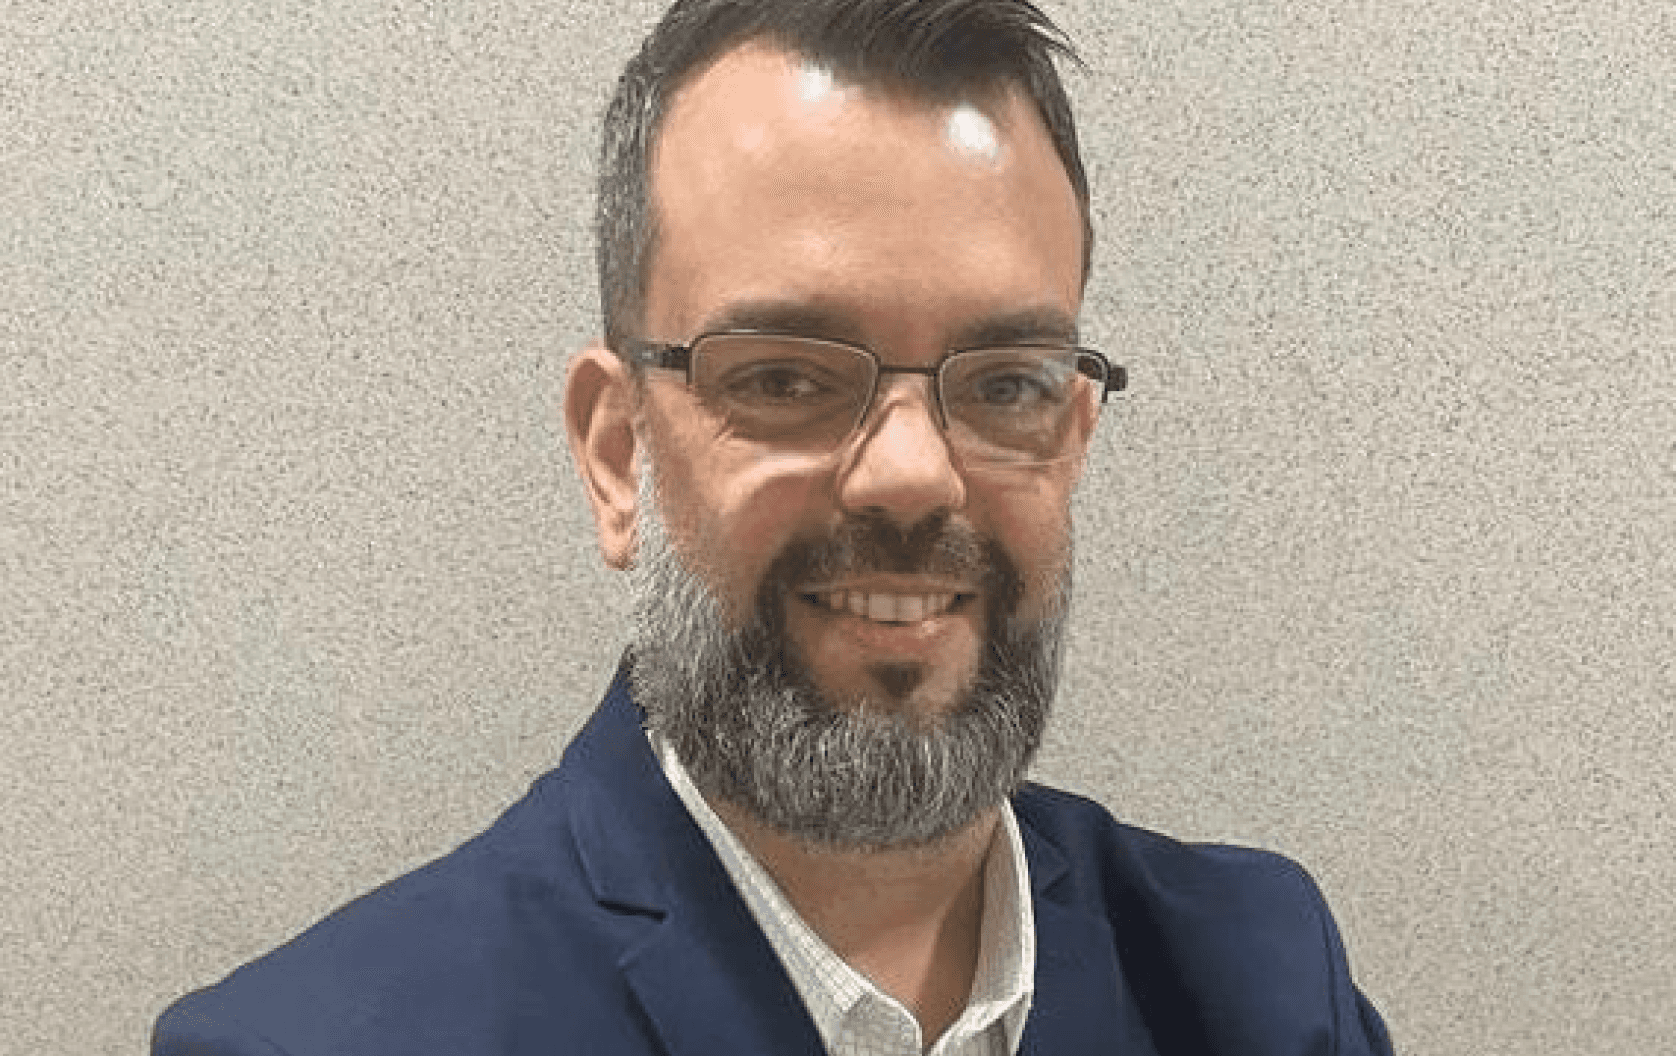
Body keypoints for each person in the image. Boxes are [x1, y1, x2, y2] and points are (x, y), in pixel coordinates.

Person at [154, 1, 1394, 1053]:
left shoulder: (1264, 984)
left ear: (1071, 437)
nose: (911, 476)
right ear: (616, 455)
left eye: (1004, 382)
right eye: (785, 377)